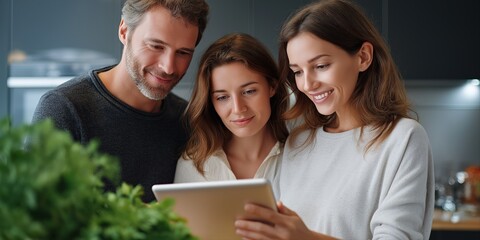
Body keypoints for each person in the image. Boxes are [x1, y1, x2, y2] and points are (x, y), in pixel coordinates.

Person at [234, 0, 435, 239]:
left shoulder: (403, 138)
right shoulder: (299, 141)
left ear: (363, 57)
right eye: (297, 71)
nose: (307, 84)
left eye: (320, 65)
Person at [31, 0, 209, 203]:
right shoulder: (64, 109)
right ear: (124, 31)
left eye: (183, 53)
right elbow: (36, 219)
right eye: (156, 46)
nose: (168, 67)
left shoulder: (187, 120)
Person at [174, 33, 289, 189]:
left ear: (272, 86)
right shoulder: (194, 166)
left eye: (249, 91)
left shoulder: (300, 155)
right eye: (222, 97)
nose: (238, 108)